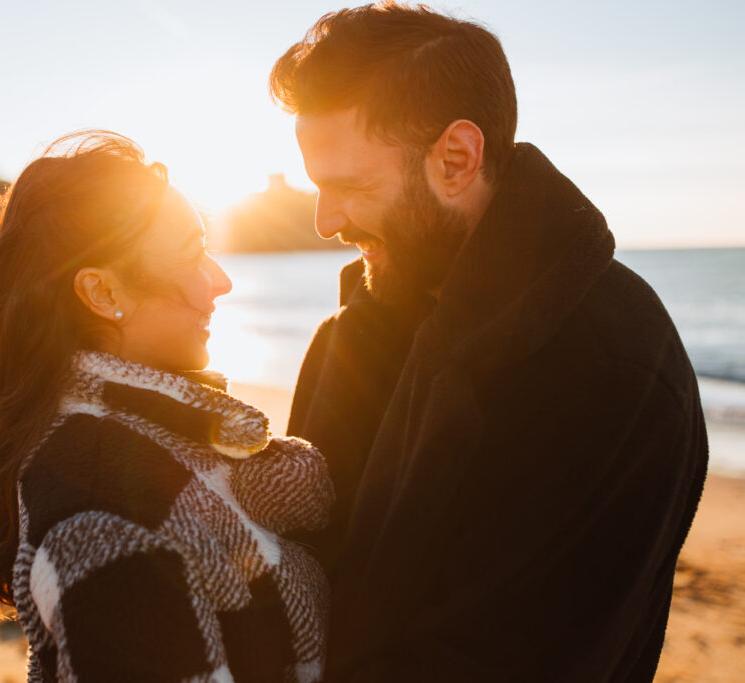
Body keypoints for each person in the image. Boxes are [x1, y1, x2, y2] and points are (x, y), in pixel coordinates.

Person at [272, 4, 708, 681]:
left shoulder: (614, 367)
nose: (326, 220)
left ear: (456, 159)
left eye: (349, 186)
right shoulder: (347, 336)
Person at [0, 131, 332, 682]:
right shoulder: (95, 512)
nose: (221, 280)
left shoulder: (156, 436)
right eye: (191, 255)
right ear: (104, 294)